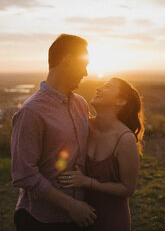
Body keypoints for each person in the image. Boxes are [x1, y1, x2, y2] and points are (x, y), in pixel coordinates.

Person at [11, 34, 97, 231]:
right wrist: (72, 205)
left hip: (78, 217)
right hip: (41, 220)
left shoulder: (81, 104)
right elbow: (24, 175)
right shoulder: (31, 112)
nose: (85, 72)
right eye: (83, 64)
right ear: (67, 60)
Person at [58, 77, 144, 231]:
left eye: (108, 86)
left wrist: (86, 181)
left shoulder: (125, 139)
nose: (98, 88)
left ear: (121, 101)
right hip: (79, 218)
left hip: (112, 220)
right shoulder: (83, 127)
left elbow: (128, 188)